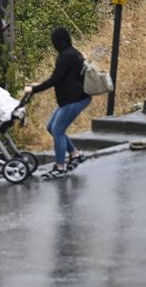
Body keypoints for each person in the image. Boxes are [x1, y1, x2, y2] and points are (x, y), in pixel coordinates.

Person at [24, 27, 90, 179]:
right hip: (72, 98)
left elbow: (55, 79)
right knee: (51, 127)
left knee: (58, 131)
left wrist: (34, 89)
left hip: (75, 99)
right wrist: (37, 86)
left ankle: (59, 166)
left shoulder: (66, 56)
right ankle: (75, 154)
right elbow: (61, 77)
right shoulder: (73, 53)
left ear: (58, 41)